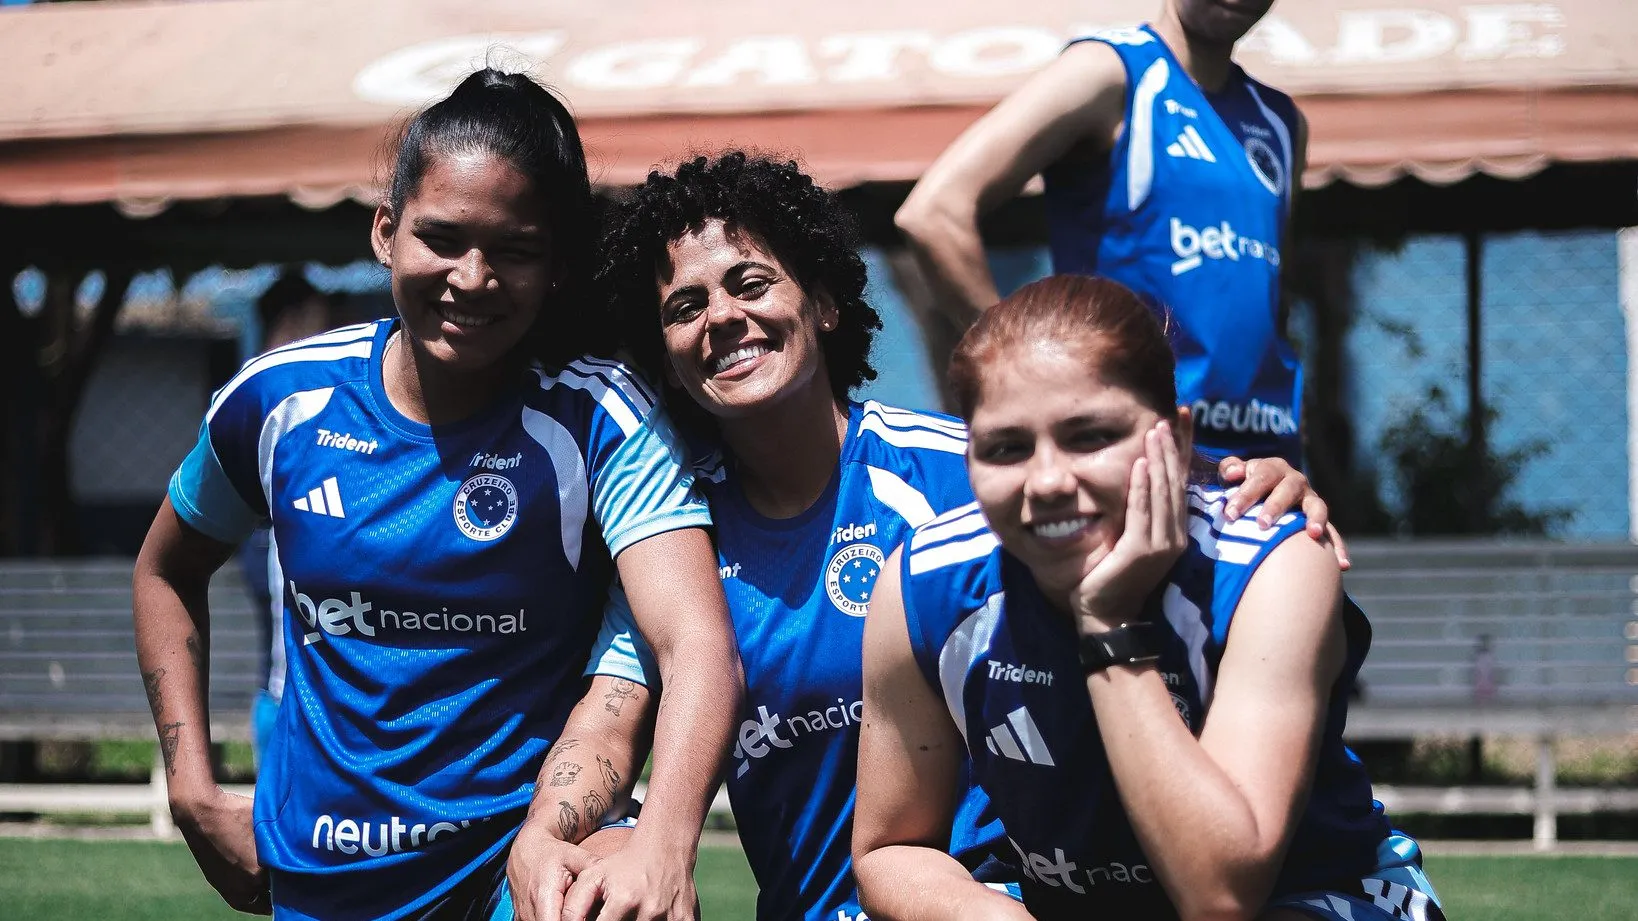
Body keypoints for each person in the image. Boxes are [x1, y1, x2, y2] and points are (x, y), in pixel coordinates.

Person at [559, 154, 1339, 921]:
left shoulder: (972, 475)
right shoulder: (672, 538)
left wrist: (1246, 483)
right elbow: (611, 717)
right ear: (664, 354)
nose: (722, 316)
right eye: (684, 306)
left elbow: (1135, 473)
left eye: (751, 283)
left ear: (824, 303)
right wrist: (566, 832)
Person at [132, 69, 741, 921]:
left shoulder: (598, 416)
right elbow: (165, 571)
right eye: (443, 238)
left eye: (515, 250)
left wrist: (664, 846)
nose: (473, 276)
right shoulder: (278, 403)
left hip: (517, 864)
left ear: (558, 267)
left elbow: (696, 641)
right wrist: (192, 790)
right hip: (323, 871)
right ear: (387, 232)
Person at [852, 275, 1441, 921]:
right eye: (1006, 448)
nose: (1047, 481)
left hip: (1308, 895)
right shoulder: (924, 583)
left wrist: (1108, 623)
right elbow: (891, 848)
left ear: (1177, 440)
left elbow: (1222, 895)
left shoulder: (1271, 566)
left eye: (1090, 436)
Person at [896, 0, 1306, 464]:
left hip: (1266, 459)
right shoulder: (1109, 71)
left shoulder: (1279, 120)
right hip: (1132, 449)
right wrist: (1026, 369)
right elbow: (934, 213)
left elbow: (1272, 303)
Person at [241, 270, 339, 767]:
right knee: (285, 659)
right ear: (292, 319)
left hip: (275, 540)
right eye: (321, 317)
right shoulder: (269, 387)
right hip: (276, 540)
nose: (331, 330)